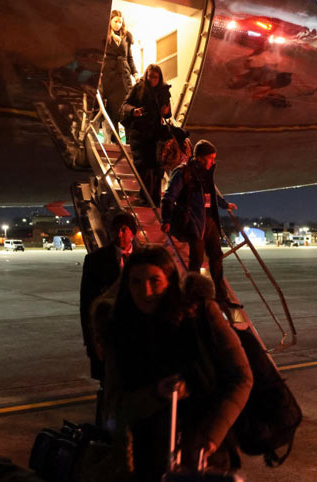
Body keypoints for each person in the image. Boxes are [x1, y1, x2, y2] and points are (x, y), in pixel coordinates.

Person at [85, 245, 252, 482]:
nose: (144, 291)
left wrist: (211, 438)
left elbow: (241, 378)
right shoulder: (119, 328)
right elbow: (115, 405)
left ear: (171, 281)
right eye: (135, 282)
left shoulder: (201, 315)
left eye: (155, 281)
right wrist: (156, 394)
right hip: (149, 456)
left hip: (202, 450)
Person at [160, 139, 239, 306]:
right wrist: (166, 219)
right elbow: (168, 197)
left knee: (216, 259)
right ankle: (191, 297)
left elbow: (211, 195)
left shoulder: (206, 173)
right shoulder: (183, 172)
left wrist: (225, 205)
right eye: (211, 158)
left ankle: (221, 297)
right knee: (195, 262)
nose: (213, 162)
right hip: (195, 223)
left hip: (210, 222)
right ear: (201, 158)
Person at [79, 213, 138, 425]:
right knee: (108, 389)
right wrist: (91, 342)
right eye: (116, 229)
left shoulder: (145, 257)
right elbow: (87, 305)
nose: (119, 233)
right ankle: (104, 429)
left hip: (137, 338)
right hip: (109, 337)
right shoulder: (95, 261)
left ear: (133, 232)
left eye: (124, 229)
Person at [120, 63, 171, 204]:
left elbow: (167, 113)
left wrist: (166, 112)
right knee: (143, 166)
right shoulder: (138, 88)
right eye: (150, 77)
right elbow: (125, 105)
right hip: (140, 133)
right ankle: (145, 197)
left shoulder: (163, 90)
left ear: (159, 78)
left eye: (156, 77)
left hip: (156, 134)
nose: (153, 80)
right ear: (146, 76)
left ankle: (153, 199)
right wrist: (133, 111)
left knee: (156, 169)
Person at [99, 10, 137, 134]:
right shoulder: (105, 36)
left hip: (124, 76)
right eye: (115, 21)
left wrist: (135, 73)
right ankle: (116, 140)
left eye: (120, 22)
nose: (118, 24)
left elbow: (130, 57)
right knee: (113, 110)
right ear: (110, 21)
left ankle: (129, 139)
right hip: (110, 77)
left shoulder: (126, 36)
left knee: (128, 106)